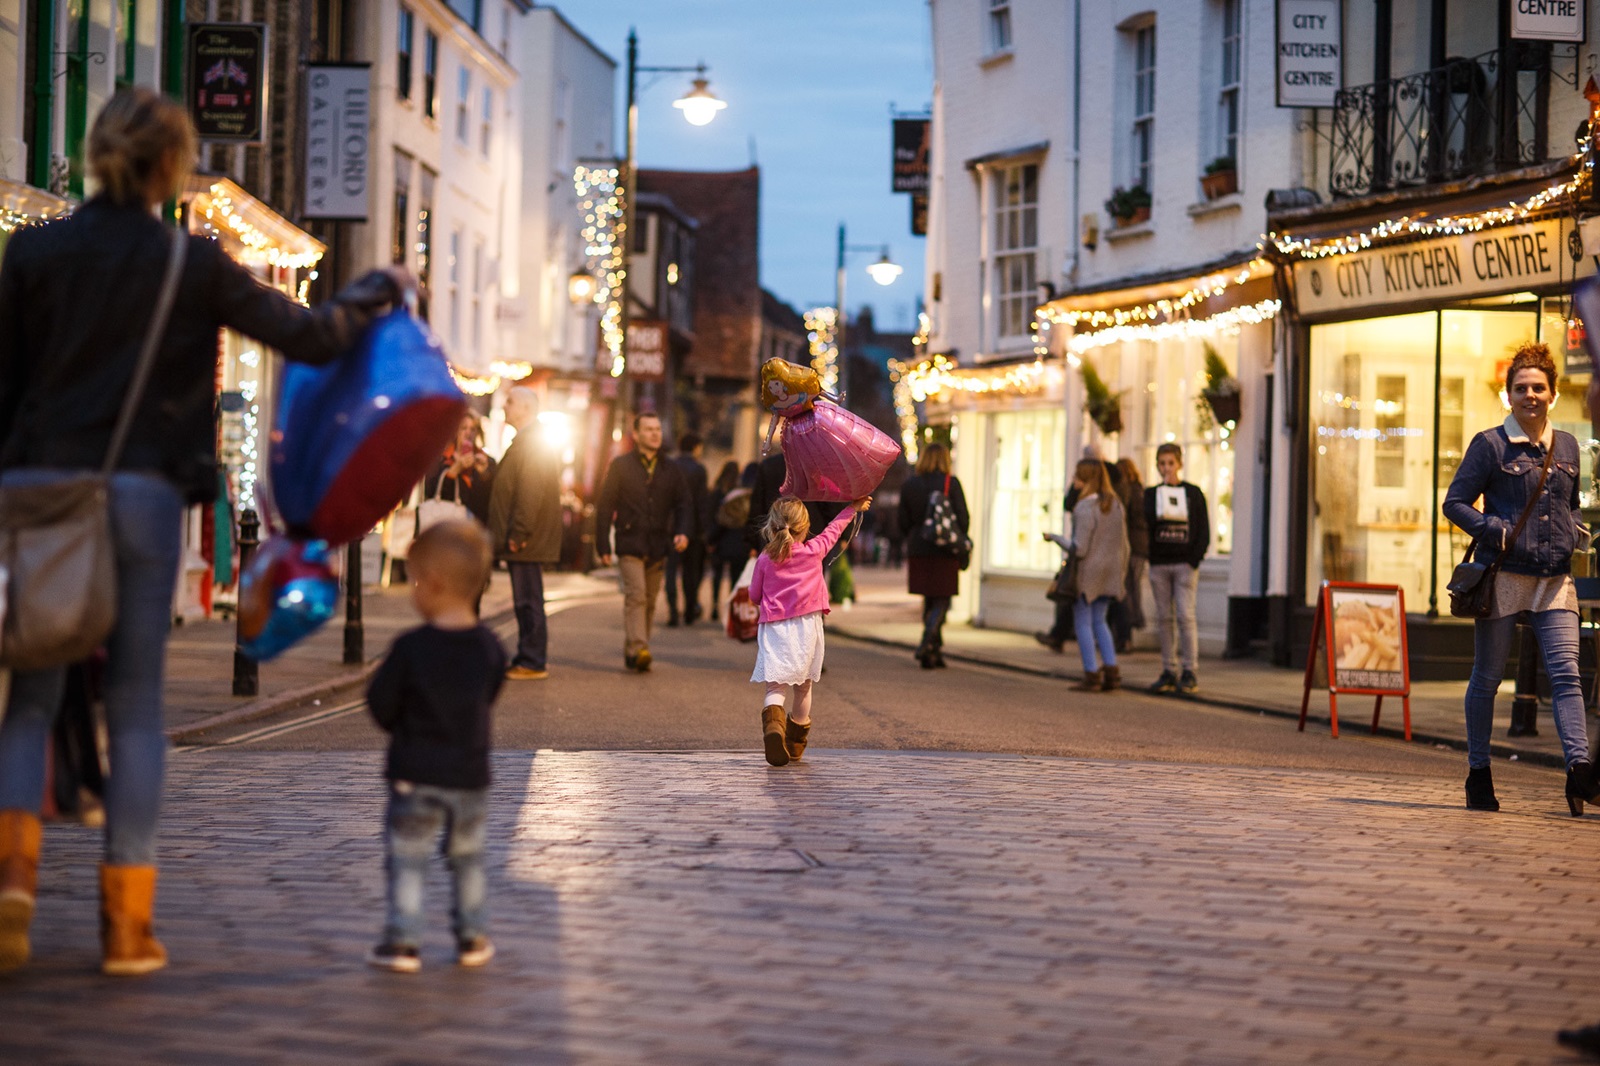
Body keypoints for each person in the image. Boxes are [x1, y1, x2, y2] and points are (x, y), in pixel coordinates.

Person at [0, 87, 405, 976]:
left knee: (29, 697)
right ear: (172, 166)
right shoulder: (194, 263)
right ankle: (126, 926)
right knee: (137, 707)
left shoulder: (31, 253)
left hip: (36, 493)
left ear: (102, 152)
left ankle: (11, 895)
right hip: (141, 495)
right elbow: (310, 337)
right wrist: (375, 292)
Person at [1443, 342, 1597, 815]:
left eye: (1539, 387)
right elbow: (1455, 502)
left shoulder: (1568, 446)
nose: (1530, 395)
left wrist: (1575, 530)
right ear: (1508, 395)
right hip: (1504, 576)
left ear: (1552, 394)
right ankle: (1479, 773)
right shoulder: (1489, 445)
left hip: (1554, 580)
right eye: (1521, 388)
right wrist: (1497, 529)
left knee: (1567, 676)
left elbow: (1568, 504)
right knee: (1488, 678)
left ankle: (1579, 772)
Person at [365, 520, 507, 972]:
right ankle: (472, 937)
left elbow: (381, 704)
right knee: (469, 859)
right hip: (469, 776)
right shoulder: (490, 647)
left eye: (414, 582)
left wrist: (400, 724)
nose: (411, 593)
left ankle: (404, 941)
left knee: (409, 859)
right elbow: (490, 693)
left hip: (415, 774)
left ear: (435, 584)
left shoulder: (409, 648)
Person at [749, 495, 869, 766]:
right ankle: (795, 744)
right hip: (807, 628)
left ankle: (773, 728)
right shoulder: (815, 550)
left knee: (775, 685)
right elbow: (833, 530)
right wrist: (853, 507)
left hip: (774, 628)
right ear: (804, 527)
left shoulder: (765, 560)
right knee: (804, 687)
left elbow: (755, 595)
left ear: (772, 526)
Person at [594, 412, 691, 672]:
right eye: (648, 429)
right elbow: (605, 506)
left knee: (649, 599)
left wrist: (682, 532)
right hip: (630, 542)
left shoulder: (671, 469)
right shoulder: (621, 466)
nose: (655, 434)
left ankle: (634, 650)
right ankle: (639, 647)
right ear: (636, 435)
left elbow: (683, 504)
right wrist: (602, 545)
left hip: (658, 544)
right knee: (636, 596)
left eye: (657, 429)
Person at [488, 386, 561, 680]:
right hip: (525, 537)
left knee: (528, 599)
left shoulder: (532, 442)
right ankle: (528, 655)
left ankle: (532, 659)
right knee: (526, 598)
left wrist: (518, 534)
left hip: (527, 539)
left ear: (527, 408)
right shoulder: (525, 441)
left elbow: (530, 492)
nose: (505, 406)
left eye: (510, 402)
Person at [1144, 443, 1210, 697]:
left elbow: (1203, 529)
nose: (1166, 468)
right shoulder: (1152, 494)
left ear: (1179, 463)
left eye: (1170, 463)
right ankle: (1168, 670)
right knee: (1163, 618)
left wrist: (1193, 559)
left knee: (1185, 616)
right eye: (1162, 463)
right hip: (1160, 564)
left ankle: (1189, 670)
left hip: (1184, 564)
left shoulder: (1193, 493)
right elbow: (1147, 523)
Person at [1059, 460, 1130, 691]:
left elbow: (1079, 548)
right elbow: (1125, 546)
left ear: (1085, 479)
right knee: (1100, 621)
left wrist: (1055, 538)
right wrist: (1121, 573)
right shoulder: (1116, 505)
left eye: (1077, 476)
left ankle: (1091, 674)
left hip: (1088, 573)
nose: (1074, 481)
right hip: (1111, 571)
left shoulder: (1084, 508)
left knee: (1083, 622)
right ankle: (1112, 672)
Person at [897, 442, 969, 669]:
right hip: (944, 550)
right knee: (943, 598)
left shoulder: (910, 484)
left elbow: (902, 521)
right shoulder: (951, 483)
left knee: (929, 598)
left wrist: (915, 534)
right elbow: (964, 518)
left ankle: (933, 653)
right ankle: (927, 642)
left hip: (919, 547)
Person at [664, 433, 709, 627]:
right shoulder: (699, 469)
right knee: (691, 572)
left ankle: (673, 611)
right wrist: (703, 529)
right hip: (693, 529)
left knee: (671, 570)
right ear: (696, 447)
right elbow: (701, 502)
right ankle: (690, 611)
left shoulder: (669, 466)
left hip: (670, 526)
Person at [423, 411, 496, 525]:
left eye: (473, 429)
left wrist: (484, 474)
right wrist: (454, 470)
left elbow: (491, 500)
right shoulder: (441, 459)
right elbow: (431, 492)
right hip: (445, 526)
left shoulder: (487, 461)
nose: (468, 433)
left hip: (476, 528)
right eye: (464, 428)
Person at [1111, 458, 1149, 652]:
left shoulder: (1129, 491)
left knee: (1128, 590)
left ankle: (1126, 634)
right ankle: (1125, 634)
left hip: (1132, 547)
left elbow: (1131, 518)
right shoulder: (1139, 490)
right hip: (1138, 547)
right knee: (1130, 589)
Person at [707, 460, 751, 622]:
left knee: (717, 575)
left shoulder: (717, 492)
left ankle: (714, 606)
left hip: (721, 541)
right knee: (735, 577)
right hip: (739, 542)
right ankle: (732, 610)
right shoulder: (740, 494)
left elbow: (715, 519)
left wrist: (711, 540)